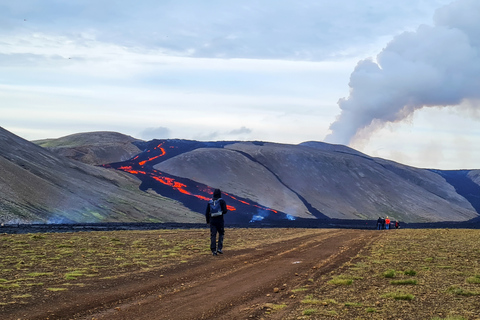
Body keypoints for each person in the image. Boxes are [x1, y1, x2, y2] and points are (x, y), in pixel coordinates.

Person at [206, 189, 228, 256]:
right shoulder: (222, 201)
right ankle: (219, 248)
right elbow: (225, 211)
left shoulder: (210, 202)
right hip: (220, 220)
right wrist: (220, 213)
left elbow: (207, 212)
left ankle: (213, 250)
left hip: (212, 221)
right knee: (221, 233)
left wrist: (208, 221)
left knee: (213, 235)